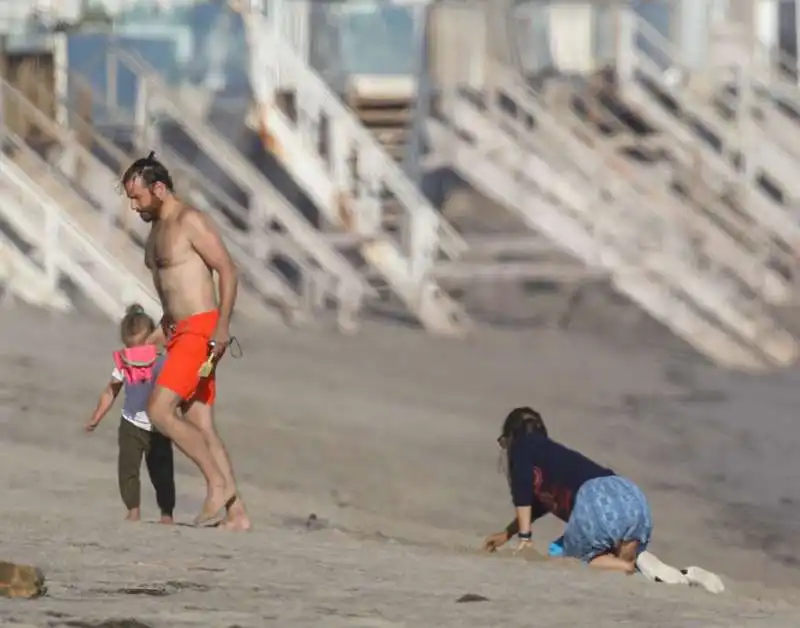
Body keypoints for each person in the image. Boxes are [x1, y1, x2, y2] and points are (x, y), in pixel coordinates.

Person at [121, 151, 250, 531]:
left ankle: (216, 483)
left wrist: (222, 325)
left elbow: (226, 268)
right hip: (179, 333)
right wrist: (164, 328)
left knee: (160, 411)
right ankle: (236, 513)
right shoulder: (157, 228)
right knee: (200, 423)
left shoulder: (190, 220)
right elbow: (173, 287)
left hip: (202, 329)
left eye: (137, 197)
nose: (133, 205)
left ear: (159, 189)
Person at [482, 407, 652, 574]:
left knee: (563, 554)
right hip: (630, 496)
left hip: (595, 500)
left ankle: (625, 567)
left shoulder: (523, 446)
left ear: (511, 437)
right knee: (619, 546)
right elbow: (537, 506)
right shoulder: (550, 461)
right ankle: (635, 561)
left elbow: (523, 492)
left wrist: (525, 538)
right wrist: (507, 533)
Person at [85, 304, 175, 524]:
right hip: (131, 423)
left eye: (141, 348)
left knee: (162, 471)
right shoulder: (125, 363)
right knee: (127, 469)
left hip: (159, 426)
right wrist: (97, 416)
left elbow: (177, 390)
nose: (136, 355)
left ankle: (167, 513)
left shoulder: (162, 360)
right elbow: (111, 391)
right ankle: (133, 508)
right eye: (131, 349)